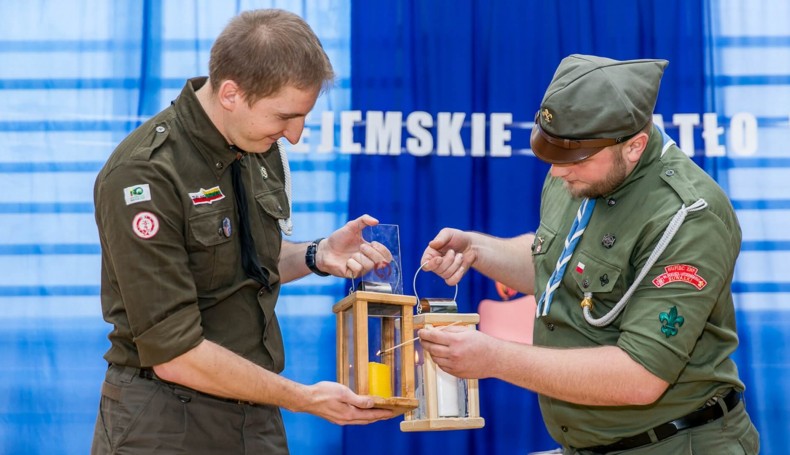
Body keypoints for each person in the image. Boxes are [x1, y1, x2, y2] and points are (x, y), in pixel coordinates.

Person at [418, 54, 759, 454]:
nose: (558, 172)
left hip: (672, 442)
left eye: (574, 160)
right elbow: (558, 267)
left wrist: (494, 358)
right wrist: (477, 249)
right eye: (552, 156)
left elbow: (640, 376)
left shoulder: (687, 217)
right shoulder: (577, 170)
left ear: (634, 147)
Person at [90, 9, 394, 454]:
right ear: (231, 93)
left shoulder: (253, 143)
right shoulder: (146, 174)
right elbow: (175, 353)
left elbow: (245, 262)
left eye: (303, 117)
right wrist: (305, 399)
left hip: (257, 412)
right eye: (285, 117)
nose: (294, 135)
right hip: (165, 421)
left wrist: (317, 254)